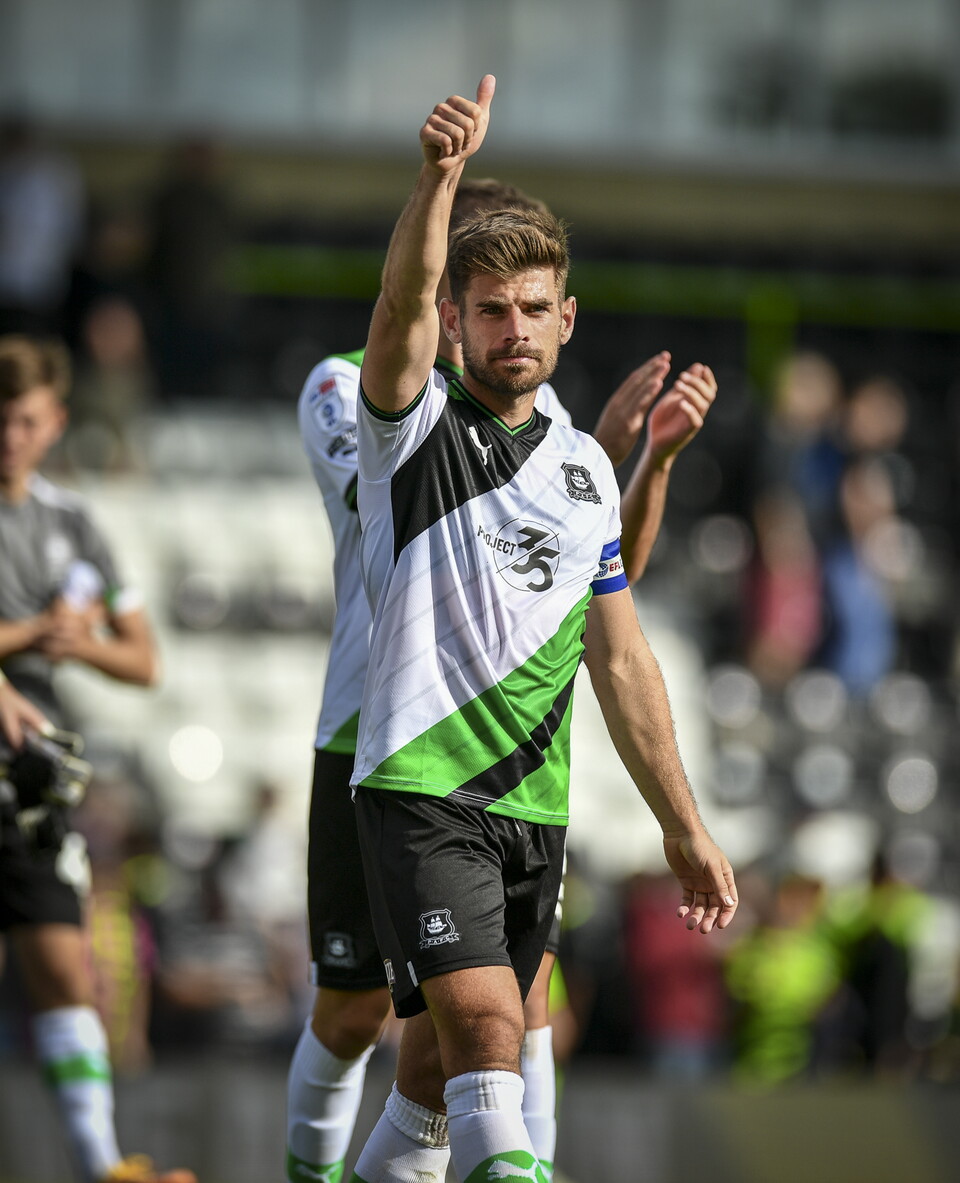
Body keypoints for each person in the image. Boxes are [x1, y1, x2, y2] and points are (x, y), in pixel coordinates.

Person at [287, 172, 718, 1182]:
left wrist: (641, 460)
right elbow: (403, 334)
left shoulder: (571, 446)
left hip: (530, 780)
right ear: (449, 295)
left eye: (531, 302)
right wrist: (437, 178)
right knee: (423, 1024)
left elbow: (606, 618)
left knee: (451, 1066)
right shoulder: (381, 400)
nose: (510, 321)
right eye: (484, 297)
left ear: (563, 315)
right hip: (401, 753)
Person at [0, 334, 194, 1183]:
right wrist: (32, 633)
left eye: (25, 420)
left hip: (29, 775)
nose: (10, 437)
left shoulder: (72, 523)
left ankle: (99, 1164)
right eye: (0, 419)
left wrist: (73, 644)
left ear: (55, 423)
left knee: (62, 966)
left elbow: (144, 660)